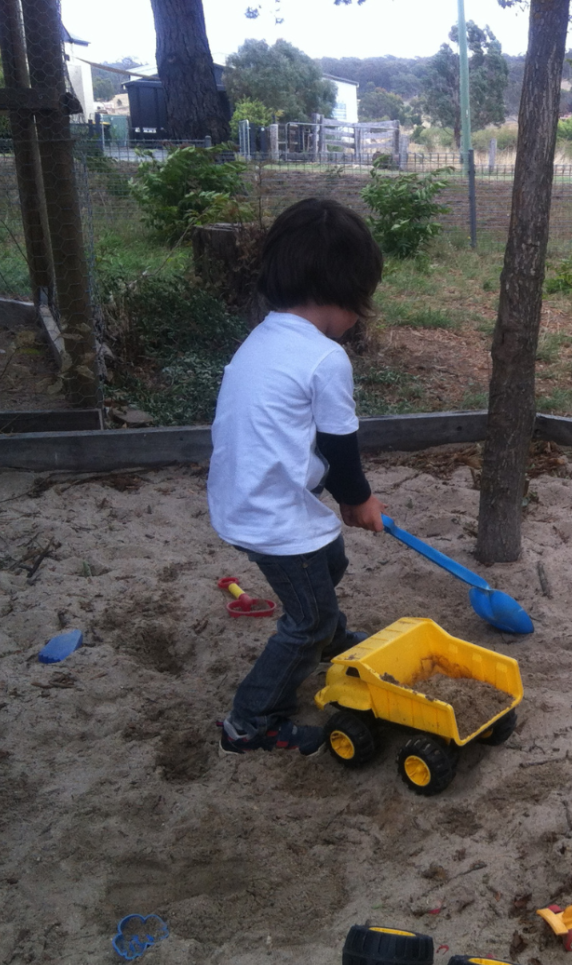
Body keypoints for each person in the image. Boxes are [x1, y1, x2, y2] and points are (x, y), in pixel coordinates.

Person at [207, 198, 386, 757]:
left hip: (245, 497)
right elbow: (339, 446)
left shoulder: (264, 337)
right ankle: (250, 720)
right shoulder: (324, 358)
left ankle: (332, 637)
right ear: (347, 295)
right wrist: (358, 501)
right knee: (306, 618)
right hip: (272, 511)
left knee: (329, 562)